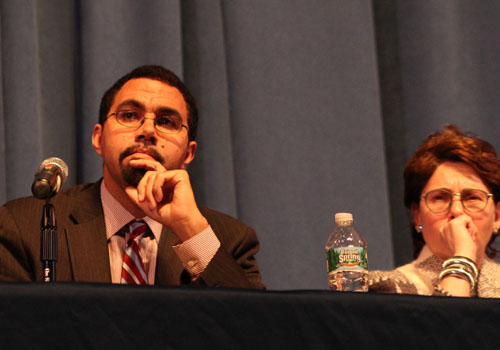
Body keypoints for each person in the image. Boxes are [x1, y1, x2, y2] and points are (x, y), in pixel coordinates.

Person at [0, 65, 264, 289]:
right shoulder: (24, 226)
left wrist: (190, 229)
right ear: (98, 139)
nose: (147, 130)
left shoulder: (230, 239)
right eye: (129, 115)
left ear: (189, 153)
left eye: (166, 122)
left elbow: (255, 331)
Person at [368, 124, 500, 297]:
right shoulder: (387, 289)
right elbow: (445, 323)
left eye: (472, 198)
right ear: (417, 217)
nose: (457, 211)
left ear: (497, 217)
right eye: (439, 198)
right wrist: (463, 258)